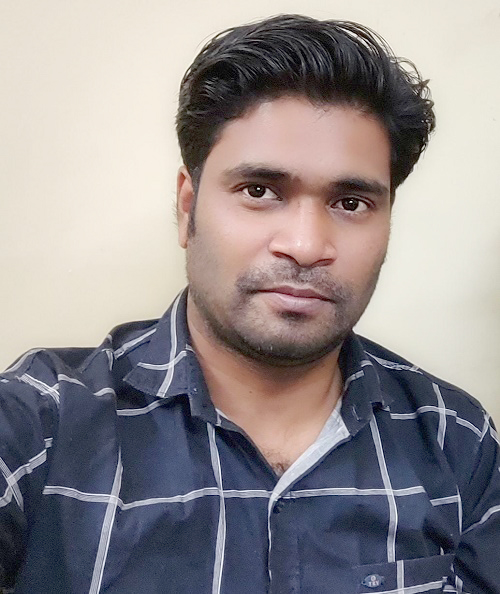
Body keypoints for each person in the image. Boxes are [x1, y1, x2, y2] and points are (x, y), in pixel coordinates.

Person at [1, 13, 499, 594]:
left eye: (351, 202)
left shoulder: (456, 441)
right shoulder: (40, 425)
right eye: (259, 191)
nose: (306, 245)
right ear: (187, 207)